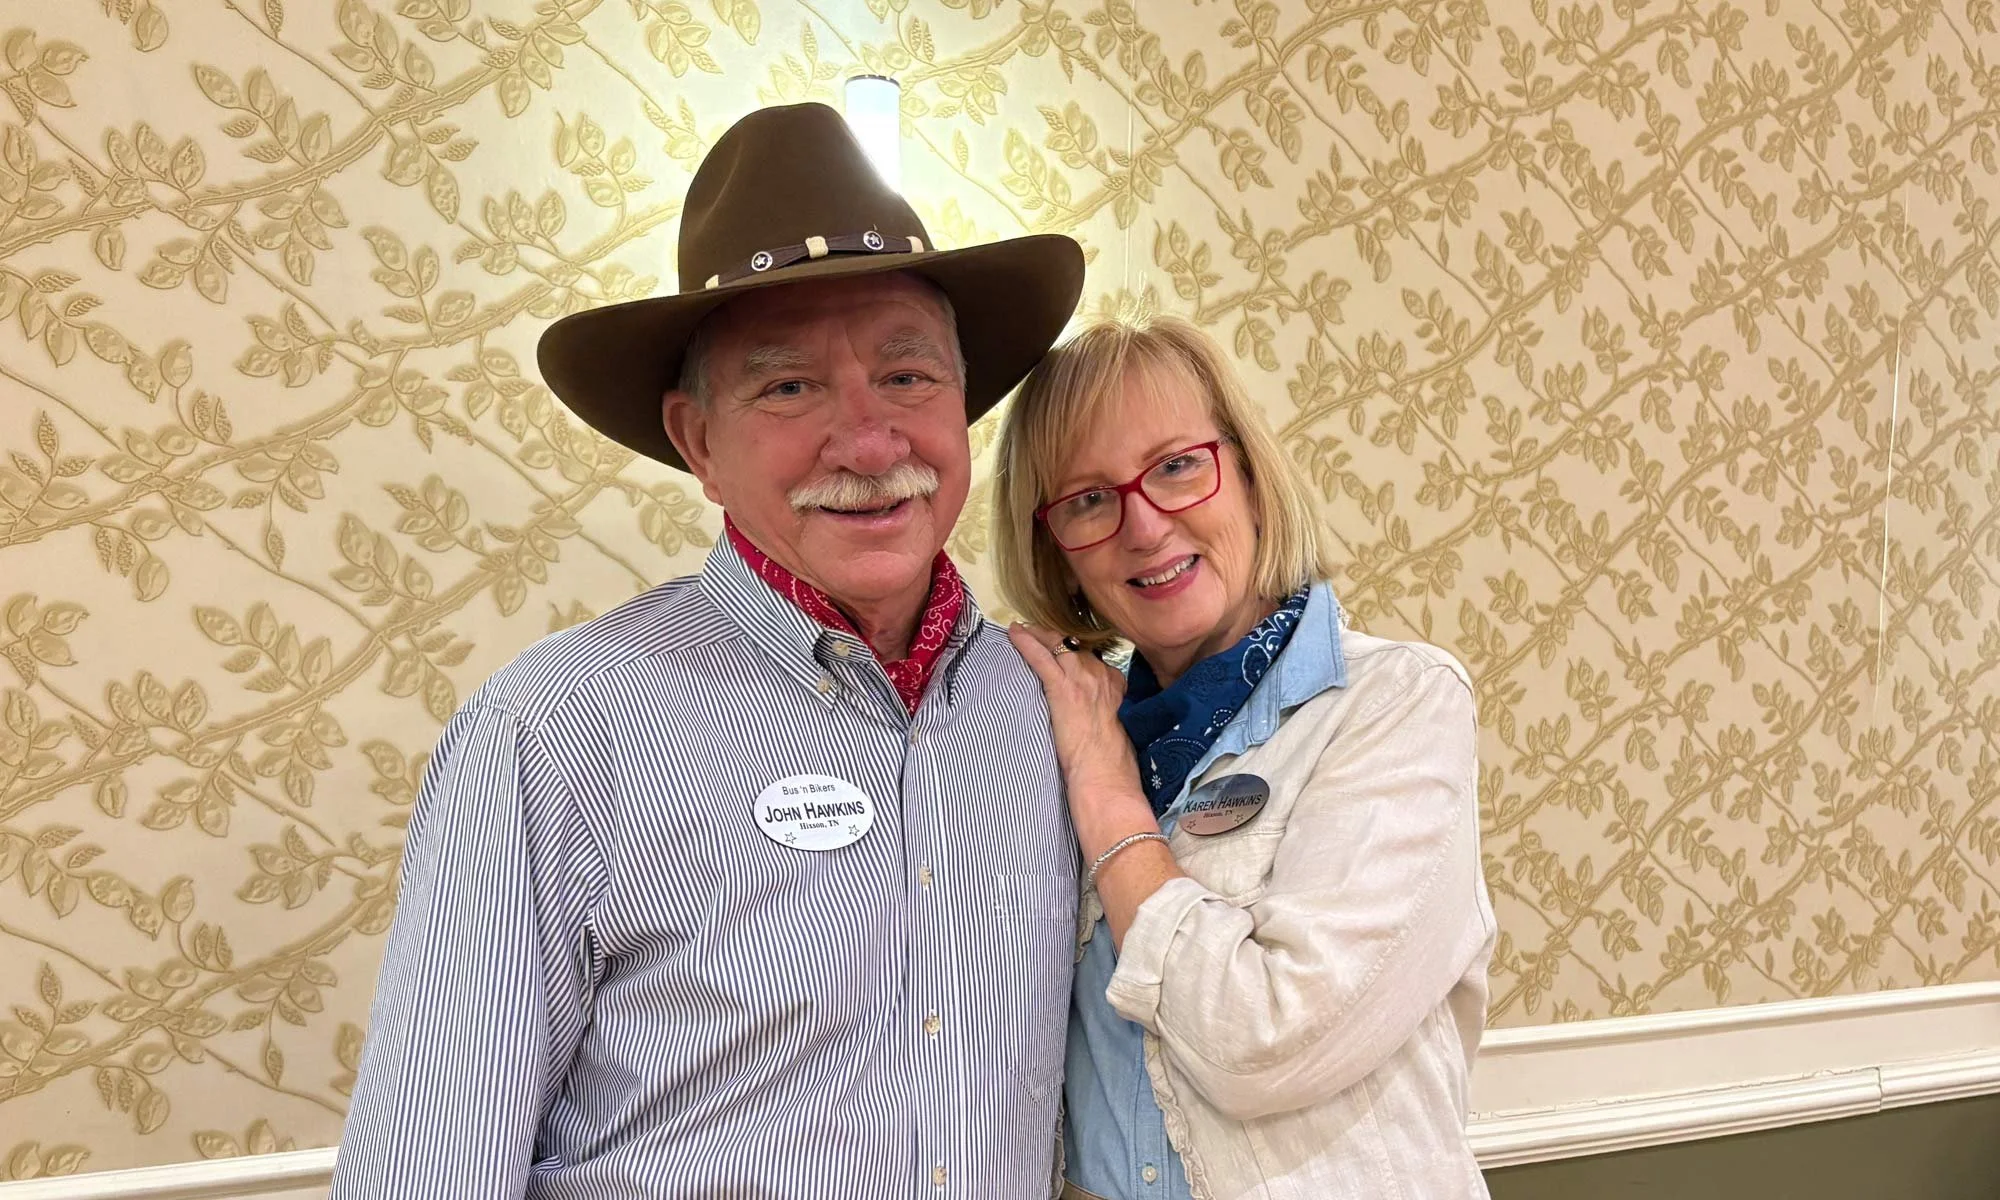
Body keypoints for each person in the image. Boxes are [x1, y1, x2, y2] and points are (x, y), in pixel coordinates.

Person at [330, 102, 1086, 1198]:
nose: (870, 440)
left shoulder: (1054, 713)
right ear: (697, 443)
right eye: (788, 386)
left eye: (908, 375)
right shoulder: (551, 733)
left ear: (961, 401)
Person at [992, 315, 1496, 1199]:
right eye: (1087, 499)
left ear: (1253, 479)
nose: (1143, 527)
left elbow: (1268, 1045)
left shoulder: (1397, 703)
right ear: (1059, 557)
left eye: (1178, 465)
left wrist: (1108, 792)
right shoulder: (1059, 732)